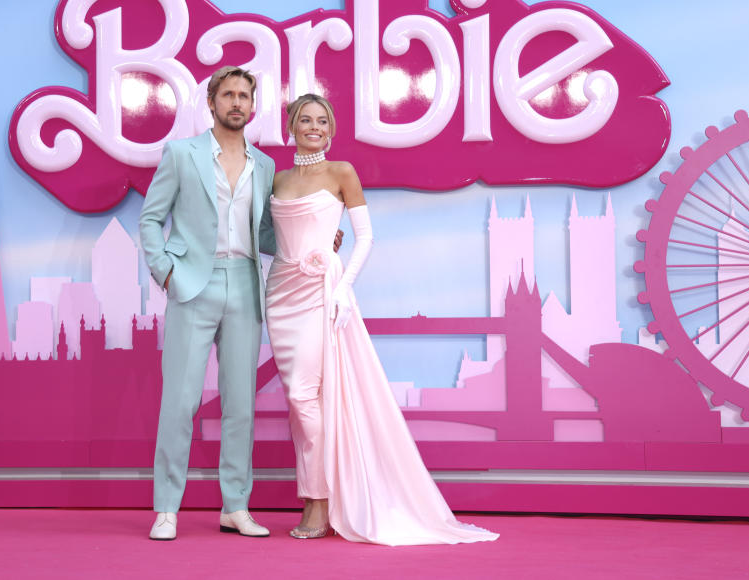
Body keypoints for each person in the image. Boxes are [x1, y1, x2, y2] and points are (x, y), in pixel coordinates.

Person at [265, 94, 500, 546]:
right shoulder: (277, 180)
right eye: (306, 120)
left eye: (322, 121)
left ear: (330, 129)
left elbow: (367, 236)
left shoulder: (342, 173)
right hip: (281, 294)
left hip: (321, 292)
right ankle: (319, 492)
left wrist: (342, 286)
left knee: (303, 396)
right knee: (302, 404)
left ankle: (318, 499)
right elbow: (278, 238)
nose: (314, 127)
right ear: (291, 126)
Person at [139, 66, 275, 541]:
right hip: (192, 283)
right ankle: (167, 508)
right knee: (180, 401)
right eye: (228, 95)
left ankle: (235, 505)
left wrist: (323, 235)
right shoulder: (181, 154)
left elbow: (269, 233)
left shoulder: (266, 165)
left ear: (252, 106)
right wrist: (166, 272)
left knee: (240, 404)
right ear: (212, 103)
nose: (237, 102)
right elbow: (151, 220)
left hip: (244, 283)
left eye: (244, 95)